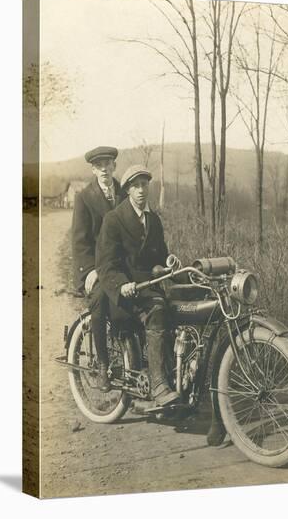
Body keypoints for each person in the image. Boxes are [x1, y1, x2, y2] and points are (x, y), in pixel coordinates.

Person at [95, 165, 179, 407]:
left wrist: (168, 262)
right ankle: (158, 384)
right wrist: (122, 285)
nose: (141, 190)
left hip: (148, 286)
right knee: (156, 312)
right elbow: (106, 264)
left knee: (177, 311)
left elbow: (159, 256)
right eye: (135, 186)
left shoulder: (153, 220)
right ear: (127, 190)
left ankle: (175, 376)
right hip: (126, 293)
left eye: (144, 185)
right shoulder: (113, 219)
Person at [71, 146, 126, 391]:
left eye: (108, 164)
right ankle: (103, 363)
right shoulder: (85, 197)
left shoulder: (125, 192)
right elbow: (80, 240)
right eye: (99, 165)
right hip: (96, 268)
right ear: (93, 169)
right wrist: (89, 270)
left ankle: (137, 360)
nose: (104, 169)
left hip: (122, 266)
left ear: (114, 166)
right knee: (100, 301)